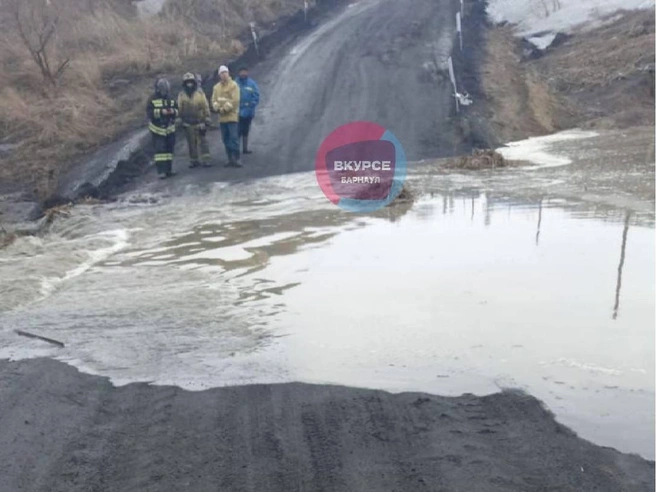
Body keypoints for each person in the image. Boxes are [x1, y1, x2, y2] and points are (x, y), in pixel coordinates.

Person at [177, 72, 212, 168]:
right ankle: (194, 160)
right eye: (187, 82)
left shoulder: (200, 93)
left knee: (203, 141)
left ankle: (206, 159)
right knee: (191, 143)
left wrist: (207, 118)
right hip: (188, 123)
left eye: (191, 82)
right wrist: (179, 119)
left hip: (200, 122)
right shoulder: (181, 95)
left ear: (194, 82)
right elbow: (179, 108)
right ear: (184, 83)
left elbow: (205, 106)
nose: (189, 84)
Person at [147, 78, 178, 179]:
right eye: (163, 91)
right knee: (160, 152)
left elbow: (177, 110)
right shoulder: (152, 99)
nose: (165, 93)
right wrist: (161, 112)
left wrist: (173, 112)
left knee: (169, 151)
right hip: (157, 130)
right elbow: (149, 113)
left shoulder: (171, 98)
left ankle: (169, 170)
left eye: (166, 91)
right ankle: (162, 171)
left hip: (169, 129)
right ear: (159, 89)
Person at [211, 65, 242, 167]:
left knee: (234, 138)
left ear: (228, 73)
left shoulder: (234, 85)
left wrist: (224, 109)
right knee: (225, 139)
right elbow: (214, 100)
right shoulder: (216, 88)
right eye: (222, 73)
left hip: (232, 117)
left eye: (225, 72)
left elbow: (235, 100)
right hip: (222, 119)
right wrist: (217, 108)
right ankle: (229, 159)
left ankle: (236, 159)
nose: (224, 75)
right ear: (219, 75)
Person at [236, 66, 260, 154]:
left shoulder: (252, 84)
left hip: (248, 112)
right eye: (241, 72)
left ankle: (245, 149)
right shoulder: (235, 84)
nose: (243, 74)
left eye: (244, 72)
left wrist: (252, 104)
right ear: (238, 73)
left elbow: (256, 95)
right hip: (237, 112)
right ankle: (236, 149)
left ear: (247, 73)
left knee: (245, 130)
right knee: (237, 131)